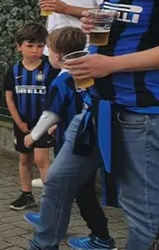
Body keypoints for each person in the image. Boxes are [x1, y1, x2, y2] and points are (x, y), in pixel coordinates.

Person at [33, 0, 159, 250]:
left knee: (142, 216)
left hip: (141, 116)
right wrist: (90, 22)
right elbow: (114, 28)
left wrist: (111, 64)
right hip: (95, 108)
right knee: (58, 182)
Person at [21, 27, 117, 250]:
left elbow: (50, 113)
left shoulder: (61, 81)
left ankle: (101, 237)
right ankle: (54, 222)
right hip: (90, 137)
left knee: (72, 189)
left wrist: (32, 136)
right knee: (75, 189)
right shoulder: (87, 74)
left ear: (57, 55)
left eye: (48, 48)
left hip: (76, 143)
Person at [3, 22, 58, 211]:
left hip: (44, 124)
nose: (35, 50)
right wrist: (19, 122)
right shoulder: (14, 71)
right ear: (19, 46)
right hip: (23, 124)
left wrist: (54, 122)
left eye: (40, 46)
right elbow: (9, 98)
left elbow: (58, 97)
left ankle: (50, 200)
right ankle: (26, 195)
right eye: (30, 45)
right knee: (24, 160)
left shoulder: (51, 69)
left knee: (41, 160)